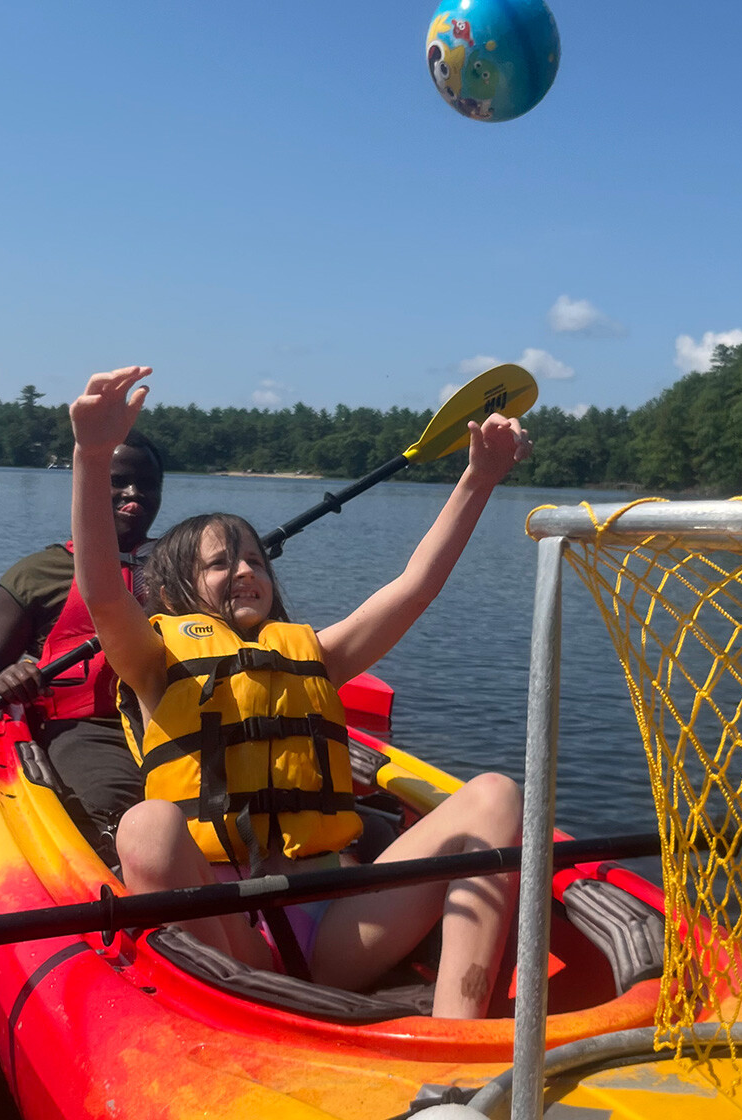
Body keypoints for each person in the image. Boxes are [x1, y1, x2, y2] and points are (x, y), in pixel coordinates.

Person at [70, 365, 529, 1020]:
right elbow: (101, 594)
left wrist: (478, 479)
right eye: (221, 562)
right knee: (146, 827)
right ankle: (238, 1017)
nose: (246, 571)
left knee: (495, 796)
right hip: (229, 946)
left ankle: (461, 1037)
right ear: (173, 589)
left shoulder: (317, 654)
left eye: (255, 560)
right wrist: (91, 455)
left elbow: (415, 586)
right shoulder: (151, 657)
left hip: (340, 929)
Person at [0, 428, 164, 857]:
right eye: (118, 480)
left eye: (148, 484)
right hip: (87, 727)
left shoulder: (187, 563)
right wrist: (4, 682)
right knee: (116, 809)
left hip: (173, 715)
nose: (134, 493)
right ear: (88, 484)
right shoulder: (39, 573)